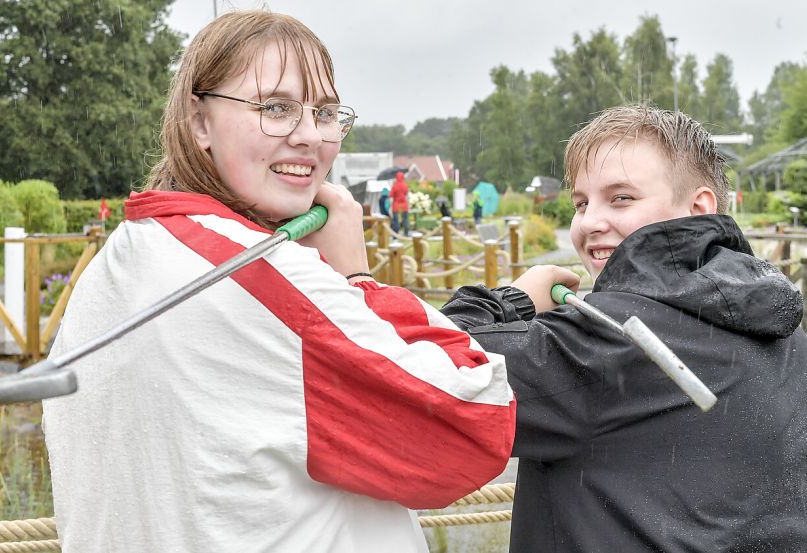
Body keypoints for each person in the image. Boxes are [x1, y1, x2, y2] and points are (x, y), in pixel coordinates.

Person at [42, 11, 516, 553]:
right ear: (199, 122)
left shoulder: (118, 262)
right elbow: (475, 422)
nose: (311, 136)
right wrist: (355, 279)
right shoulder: (257, 277)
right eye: (276, 108)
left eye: (326, 112)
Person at [441, 105, 807, 553]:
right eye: (581, 203)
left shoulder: (603, 343)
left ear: (698, 208)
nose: (589, 222)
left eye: (621, 197)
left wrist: (514, 299)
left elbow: (421, 368)